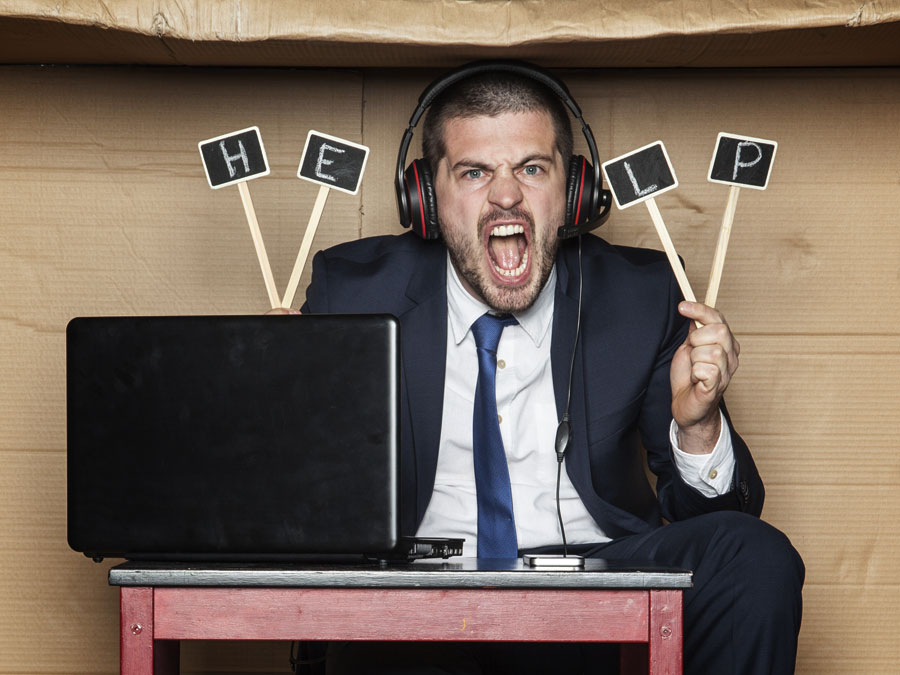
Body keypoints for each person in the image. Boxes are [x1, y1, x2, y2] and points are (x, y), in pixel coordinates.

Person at [298, 63, 804, 674]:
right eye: (475, 171)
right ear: (426, 200)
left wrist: (697, 427)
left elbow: (711, 517)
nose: (506, 195)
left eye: (532, 169)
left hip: (592, 576)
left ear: (576, 193)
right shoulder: (351, 290)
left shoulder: (641, 295)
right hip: (415, 587)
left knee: (754, 554)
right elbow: (305, 499)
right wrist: (276, 389)